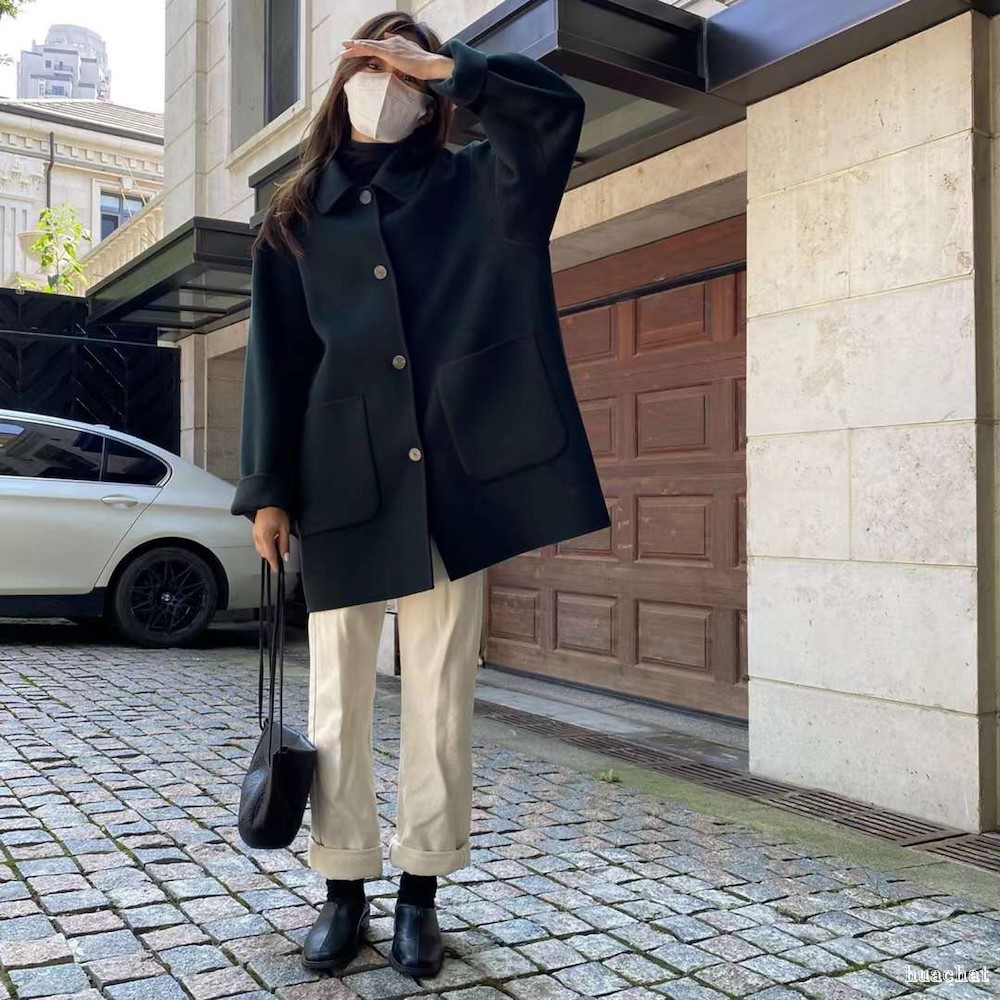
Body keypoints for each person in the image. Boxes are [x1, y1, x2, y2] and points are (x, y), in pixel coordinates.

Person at [230, 10, 610, 980]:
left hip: (450, 481)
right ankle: (342, 886)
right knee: (338, 694)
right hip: (339, 481)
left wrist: (455, 68)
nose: (387, 85)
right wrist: (268, 491)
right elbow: (276, 361)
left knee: (442, 695)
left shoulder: (480, 183)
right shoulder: (295, 216)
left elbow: (555, 115)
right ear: (342, 81)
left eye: (406, 71)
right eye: (373, 65)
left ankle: (421, 894)